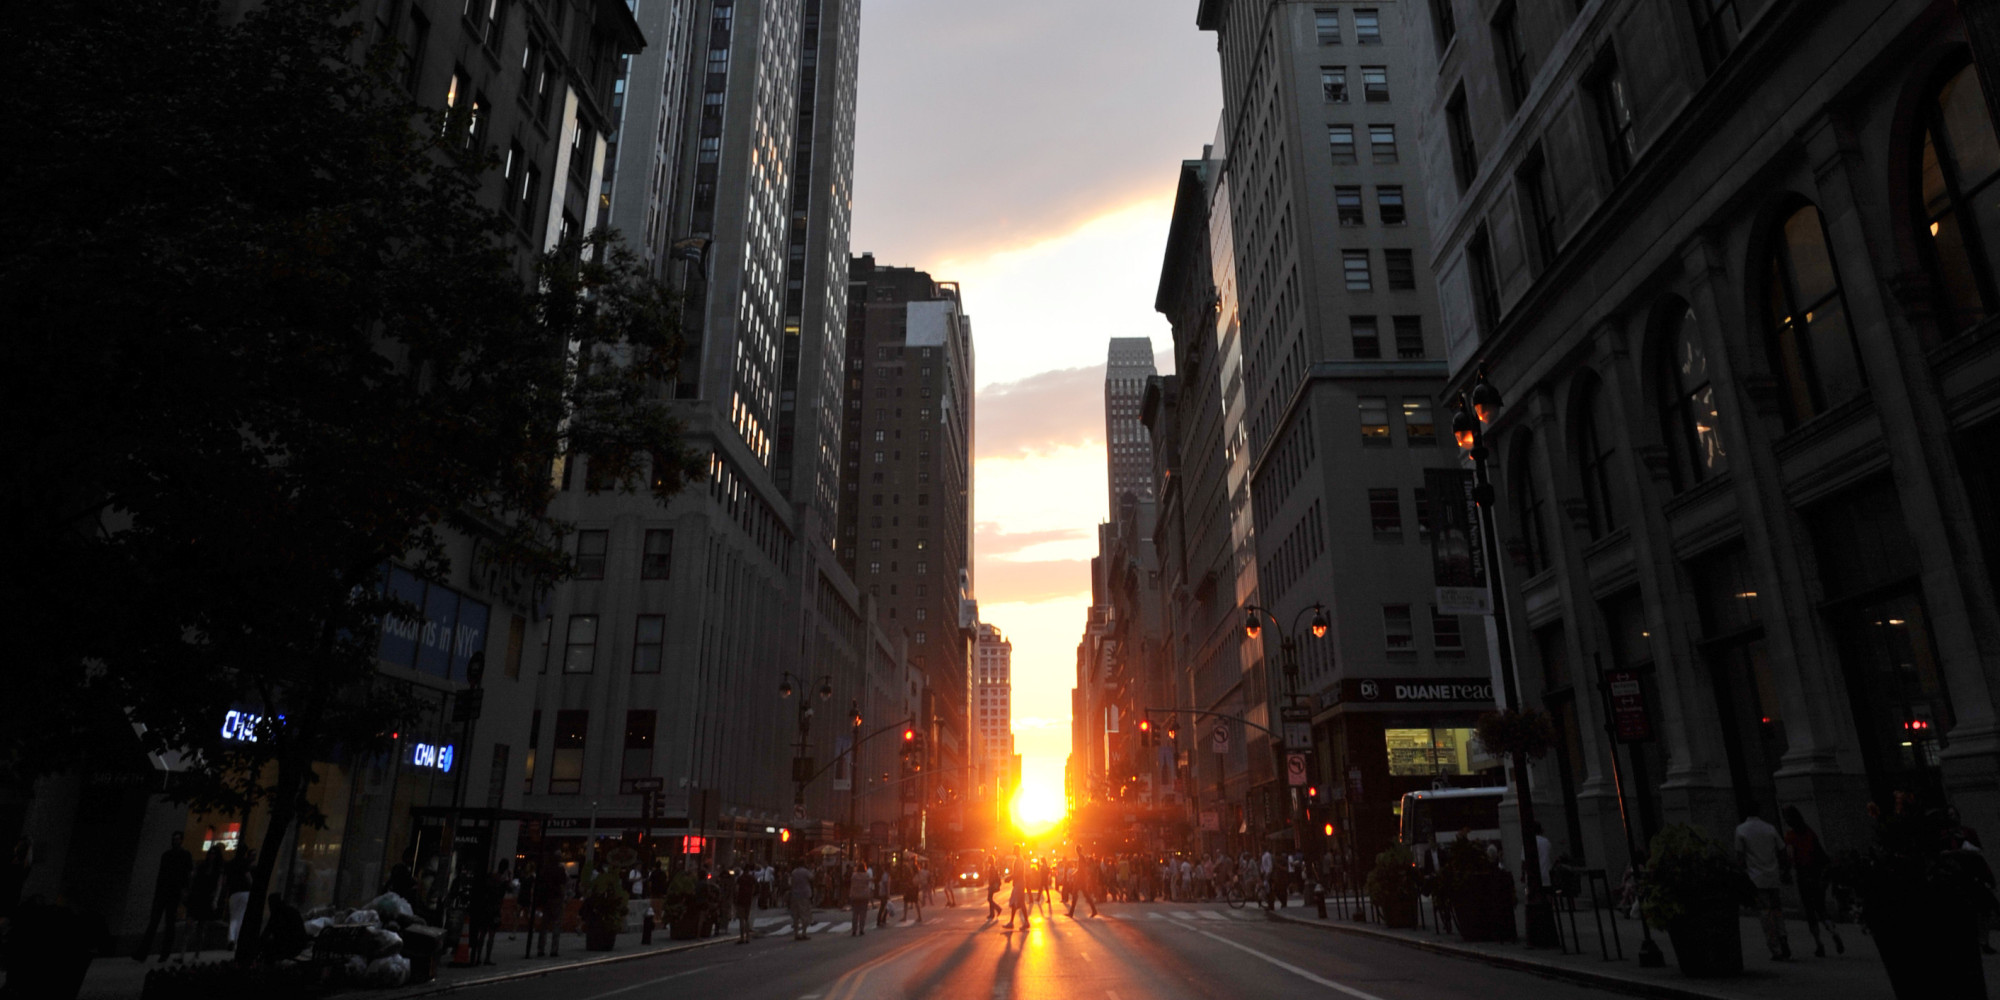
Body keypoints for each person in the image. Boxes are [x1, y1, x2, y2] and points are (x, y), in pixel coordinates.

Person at [1780, 806, 1844, 958]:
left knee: (1810, 912)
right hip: (1816, 875)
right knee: (1821, 909)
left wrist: (1786, 871)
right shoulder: (1810, 833)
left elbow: (1790, 857)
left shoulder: (1790, 836)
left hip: (1803, 876)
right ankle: (1833, 932)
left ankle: (1819, 944)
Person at [1735, 806, 1792, 960]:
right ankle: (1783, 937)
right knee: (1777, 909)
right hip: (1772, 875)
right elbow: (1782, 850)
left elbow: (1740, 857)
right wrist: (1784, 869)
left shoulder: (1741, 830)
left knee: (1765, 913)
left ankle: (1775, 947)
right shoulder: (1769, 828)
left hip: (1756, 877)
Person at [134, 831, 193, 963]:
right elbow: (163, 875)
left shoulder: (181, 855)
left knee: (167, 923)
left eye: (177, 839)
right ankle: (148, 953)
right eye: (174, 839)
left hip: (172, 892)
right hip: (166, 892)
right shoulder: (168, 855)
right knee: (159, 922)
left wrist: (185, 891)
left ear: (181, 840)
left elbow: (187, 875)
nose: (175, 841)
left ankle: (159, 953)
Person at [258, 893, 310, 966]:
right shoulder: (291, 910)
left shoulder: (277, 914)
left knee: (268, 950)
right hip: (298, 946)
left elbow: (266, 933)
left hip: (287, 947)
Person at [533, 852, 568, 957]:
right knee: (556, 924)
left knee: (544, 925)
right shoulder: (560, 870)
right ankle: (554, 949)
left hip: (546, 898)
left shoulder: (545, 869)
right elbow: (563, 884)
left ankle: (541, 948)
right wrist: (563, 897)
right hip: (556, 898)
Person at [223, 848, 254, 947]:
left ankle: (231, 938)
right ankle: (237, 940)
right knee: (241, 917)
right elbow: (247, 876)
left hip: (233, 892)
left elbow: (225, 880)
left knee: (233, 917)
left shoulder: (230, 864)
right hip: (244, 892)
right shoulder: (245, 863)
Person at [1003, 853, 1031, 930]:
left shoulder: (1019, 860)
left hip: (1019, 883)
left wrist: (1010, 877)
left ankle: (1023, 922)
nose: (1013, 851)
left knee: (1018, 902)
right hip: (1019, 883)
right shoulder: (1019, 860)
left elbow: (1018, 872)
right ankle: (1014, 922)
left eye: (1015, 849)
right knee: (1016, 902)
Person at [789, 859, 815, 940]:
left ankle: (796, 933)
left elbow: (790, 883)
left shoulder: (794, 872)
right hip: (804, 894)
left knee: (796, 915)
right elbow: (812, 878)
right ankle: (804, 933)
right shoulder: (805, 872)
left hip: (795, 894)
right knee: (804, 914)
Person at [734, 867, 759, 944]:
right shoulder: (752, 878)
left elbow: (737, 889)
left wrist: (735, 898)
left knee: (741, 919)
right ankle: (747, 937)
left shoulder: (740, 878)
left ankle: (742, 937)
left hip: (740, 899)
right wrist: (752, 895)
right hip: (748, 899)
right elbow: (756, 887)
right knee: (746, 918)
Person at [848, 864, 873, 937]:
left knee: (855, 914)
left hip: (855, 896)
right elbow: (868, 882)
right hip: (864, 896)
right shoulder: (866, 875)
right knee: (863, 914)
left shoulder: (854, 875)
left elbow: (852, 884)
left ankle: (854, 930)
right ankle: (861, 929)